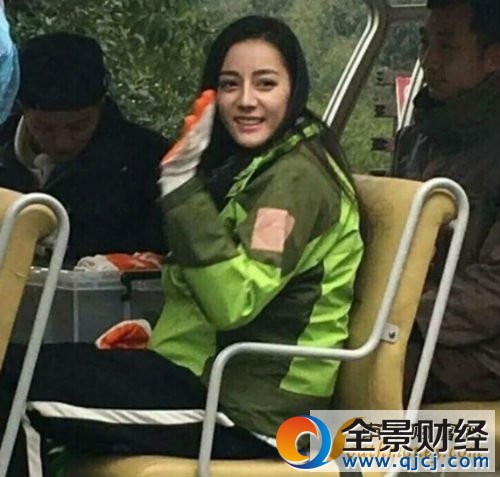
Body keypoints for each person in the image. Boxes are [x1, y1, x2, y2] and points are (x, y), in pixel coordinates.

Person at [0, 16, 363, 475]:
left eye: (265, 83)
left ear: (294, 90)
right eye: (229, 84)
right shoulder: (251, 166)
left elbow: (234, 300)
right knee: (15, 366)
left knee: (19, 393)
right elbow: (206, 284)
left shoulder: (295, 178)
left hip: (251, 410)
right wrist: (153, 331)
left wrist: (180, 186)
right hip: (197, 374)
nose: (246, 100)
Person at [392, 0, 500, 403]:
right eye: (425, 43)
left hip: (483, 352)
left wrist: (405, 315)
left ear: (493, 57)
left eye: (447, 46)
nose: (428, 60)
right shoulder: (418, 140)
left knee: (368, 378)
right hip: (416, 323)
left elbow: (494, 287)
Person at [0, 32, 170, 262]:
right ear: (21, 108)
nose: (62, 142)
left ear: (101, 104)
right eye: (44, 127)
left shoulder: (147, 162)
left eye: (78, 126)